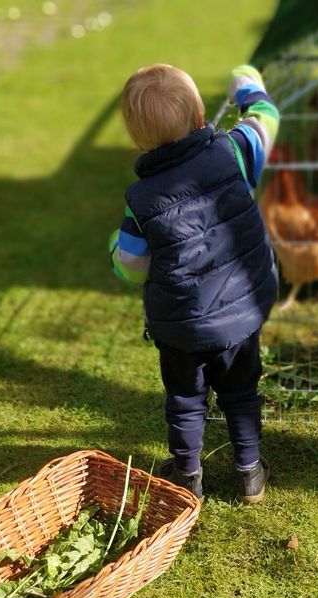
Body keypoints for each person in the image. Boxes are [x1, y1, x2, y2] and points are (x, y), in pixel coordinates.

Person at [108, 63, 279, 503]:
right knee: (241, 392)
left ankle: (187, 475)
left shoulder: (141, 201)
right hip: (241, 314)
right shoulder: (235, 151)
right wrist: (247, 87)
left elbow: (129, 265)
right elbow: (266, 120)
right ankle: (249, 473)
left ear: (139, 139)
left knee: (185, 399)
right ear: (202, 118)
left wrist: (115, 245)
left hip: (182, 327)